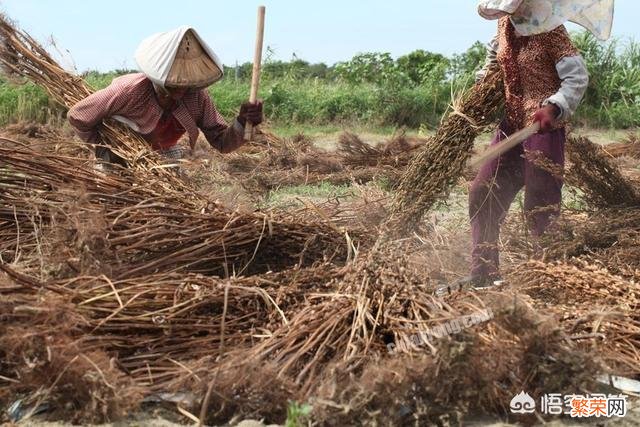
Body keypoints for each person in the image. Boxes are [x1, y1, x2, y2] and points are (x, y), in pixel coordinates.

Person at [462, 0, 614, 289]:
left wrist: (554, 107)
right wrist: (482, 84)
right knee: (483, 192)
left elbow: (577, 78)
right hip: (511, 128)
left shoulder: (551, 29)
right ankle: (483, 270)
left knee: (540, 205)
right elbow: (495, 62)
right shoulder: (505, 24)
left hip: (542, 129)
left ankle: (545, 276)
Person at [68, 26, 263, 166]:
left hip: (163, 155)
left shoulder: (196, 97)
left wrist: (242, 122)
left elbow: (222, 142)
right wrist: (104, 146)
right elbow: (78, 115)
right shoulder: (129, 90)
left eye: (184, 85)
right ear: (158, 79)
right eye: (172, 85)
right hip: (119, 156)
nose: (180, 91)